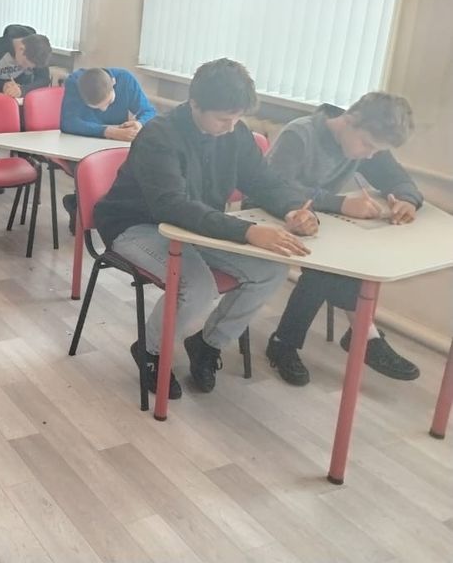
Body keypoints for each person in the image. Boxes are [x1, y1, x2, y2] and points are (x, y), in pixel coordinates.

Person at [93, 58, 318, 398]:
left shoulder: (235, 132)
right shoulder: (160, 135)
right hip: (137, 224)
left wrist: (293, 209)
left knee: (271, 270)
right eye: (223, 118)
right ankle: (150, 351)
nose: (231, 126)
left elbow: (263, 181)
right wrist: (246, 232)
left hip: (195, 226)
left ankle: (207, 344)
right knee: (196, 285)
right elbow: (172, 206)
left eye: (237, 118)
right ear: (194, 103)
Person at [263, 93, 423, 385]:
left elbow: (398, 179)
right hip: (271, 214)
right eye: (368, 145)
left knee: (343, 260)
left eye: (376, 150)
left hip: (317, 221)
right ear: (350, 120)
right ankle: (360, 334)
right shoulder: (300, 135)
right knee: (327, 268)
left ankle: (294, 341)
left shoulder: (362, 141)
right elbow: (274, 187)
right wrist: (341, 204)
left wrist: (407, 200)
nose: (369, 155)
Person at [60, 66, 157, 232]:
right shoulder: (75, 83)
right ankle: (80, 205)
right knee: (90, 172)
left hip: (115, 146)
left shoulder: (125, 79)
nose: (103, 110)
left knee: (133, 170)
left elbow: (149, 111)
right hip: (83, 146)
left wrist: (140, 123)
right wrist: (107, 131)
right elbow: (68, 122)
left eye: (109, 103)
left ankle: (93, 208)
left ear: (113, 83)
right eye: (95, 107)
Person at [0, 23, 52, 98]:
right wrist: (2, 86)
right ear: (21, 49)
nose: (25, 68)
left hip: (22, 99)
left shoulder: (37, 50)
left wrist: (23, 90)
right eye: (24, 63)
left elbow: (44, 79)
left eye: (30, 68)